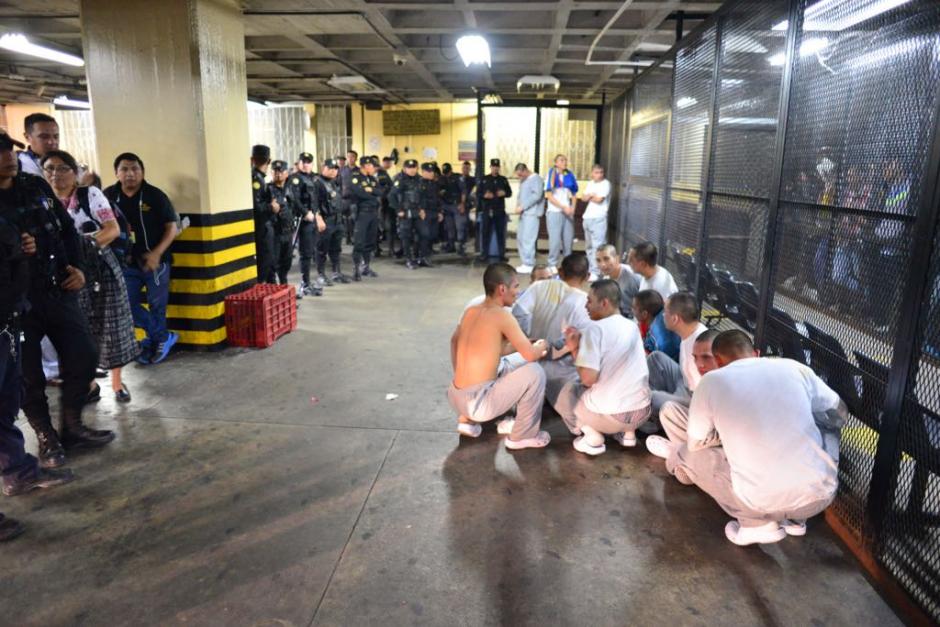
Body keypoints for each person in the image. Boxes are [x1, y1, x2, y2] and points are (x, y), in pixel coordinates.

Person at [648, 330, 845, 546]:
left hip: (759, 503)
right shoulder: (794, 367)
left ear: (719, 361)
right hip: (819, 498)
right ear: (757, 353)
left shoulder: (713, 380)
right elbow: (838, 412)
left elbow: (695, 442)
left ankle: (757, 526)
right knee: (829, 426)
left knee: (689, 453)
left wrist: (723, 435)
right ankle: (796, 519)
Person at [4, 134, 115, 469]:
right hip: (13, 304)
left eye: (8, 150)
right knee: (28, 376)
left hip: (57, 289)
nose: (7, 157)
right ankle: (46, 437)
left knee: (84, 355)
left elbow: (66, 230)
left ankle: (72, 426)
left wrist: (78, 268)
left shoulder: (34, 186)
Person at [0, 131, 75, 537]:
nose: (8, 157)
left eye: (9, 150)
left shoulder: (28, 189)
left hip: (10, 315)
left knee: (5, 402)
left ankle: (18, 473)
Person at [42, 150, 139, 403]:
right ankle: (89, 384)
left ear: (75, 173)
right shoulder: (42, 202)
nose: (56, 174)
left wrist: (80, 250)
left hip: (99, 270)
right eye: (49, 169)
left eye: (63, 168)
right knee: (77, 330)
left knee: (111, 327)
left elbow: (112, 230)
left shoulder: (90, 195)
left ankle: (117, 383)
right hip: (65, 273)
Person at [449, 262, 551, 449]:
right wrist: (541, 345)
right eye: (516, 286)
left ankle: (467, 421)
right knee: (535, 372)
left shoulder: (472, 311)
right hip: (478, 404)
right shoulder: (503, 316)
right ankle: (523, 436)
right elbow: (530, 356)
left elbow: (455, 342)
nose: (518, 292)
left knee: (505, 364)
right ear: (502, 289)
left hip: (455, 396)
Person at [551, 280, 651, 455]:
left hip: (611, 417)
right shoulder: (632, 326)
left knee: (565, 390)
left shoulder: (594, 329)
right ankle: (628, 434)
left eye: (589, 301)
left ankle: (591, 436)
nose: (586, 306)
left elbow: (588, 379)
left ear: (604, 303)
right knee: (624, 380)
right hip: (642, 412)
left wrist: (574, 347)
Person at [103, 153, 179, 365]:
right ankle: (162, 336)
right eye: (124, 169)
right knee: (126, 305)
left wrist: (156, 253)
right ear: (116, 173)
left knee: (157, 305)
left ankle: (154, 340)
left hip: (156, 262)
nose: (130, 174)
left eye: (135, 169)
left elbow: (172, 227)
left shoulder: (155, 196)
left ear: (142, 172)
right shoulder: (108, 196)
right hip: (125, 263)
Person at [646, 328, 720, 457]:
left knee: (660, 403)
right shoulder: (689, 337)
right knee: (656, 357)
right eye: (695, 358)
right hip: (690, 393)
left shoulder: (726, 380)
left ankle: (681, 455)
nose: (699, 364)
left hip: (709, 426)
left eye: (706, 357)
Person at [646, 291, 709, 419]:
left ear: (675, 319)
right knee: (655, 357)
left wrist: (674, 399)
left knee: (650, 397)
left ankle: (658, 418)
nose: (663, 315)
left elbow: (703, 396)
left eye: (665, 312)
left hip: (695, 400)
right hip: (684, 382)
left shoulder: (700, 346)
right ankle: (654, 413)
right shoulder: (691, 330)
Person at [512, 252, 591, 348]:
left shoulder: (539, 285)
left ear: (560, 272)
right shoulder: (587, 302)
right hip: (562, 360)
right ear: (588, 276)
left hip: (531, 355)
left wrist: (530, 340)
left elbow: (518, 313)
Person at [312, 158, 349, 288]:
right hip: (326, 220)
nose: (333, 171)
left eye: (335, 169)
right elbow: (314, 203)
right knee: (322, 249)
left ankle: (336, 272)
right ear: (324, 168)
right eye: (330, 168)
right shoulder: (318, 183)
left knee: (336, 248)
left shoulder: (335, 182)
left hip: (337, 220)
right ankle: (321, 275)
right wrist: (319, 218)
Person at [267, 160, 304, 289]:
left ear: (286, 173)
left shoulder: (290, 189)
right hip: (275, 233)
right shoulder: (268, 190)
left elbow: (296, 205)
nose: (278, 174)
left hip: (288, 232)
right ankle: (274, 291)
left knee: (286, 263)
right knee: (273, 264)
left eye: (281, 171)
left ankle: (284, 289)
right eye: (275, 171)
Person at [290, 153, 323, 296]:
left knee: (310, 252)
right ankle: (304, 284)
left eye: (308, 162)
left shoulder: (315, 178)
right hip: (302, 220)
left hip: (313, 218)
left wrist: (318, 215)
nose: (306, 164)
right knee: (305, 253)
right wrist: (304, 213)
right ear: (299, 163)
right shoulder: (295, 179)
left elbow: (318, 199)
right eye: (303, 162)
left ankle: (307, 282)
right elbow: (294, 199)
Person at [349, 156, 382, 281]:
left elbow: (381, 192)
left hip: (373, 214)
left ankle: (366, 267)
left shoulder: (372, 179)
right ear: (366, 166)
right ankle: (356, 269)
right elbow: (360, 193)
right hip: (361, 214)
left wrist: (371, 190)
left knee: (370, 242)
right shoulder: (355, 178)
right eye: (373, 166)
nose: (374, 169)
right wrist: (372, 194)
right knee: (359, 242)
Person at [544, 154, 578, 273]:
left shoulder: (569, 174)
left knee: (568, 239)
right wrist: (563, 207)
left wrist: (572, 208)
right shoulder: (551, 173)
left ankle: (567, 264)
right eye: (561, 160)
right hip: (555, 211)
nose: (564, 162)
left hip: (568, 211)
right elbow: (549, 195)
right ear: (556, 162)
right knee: (555, 240)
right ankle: (552, 264)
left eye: (565, 160)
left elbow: (574, 194)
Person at [389, 159, 423, 270]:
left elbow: (422, 196)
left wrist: (422, 209)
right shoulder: (400, 179)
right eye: (410, 168)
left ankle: (418, 256)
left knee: (419, 235)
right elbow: (391, 196)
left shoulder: (419, 179)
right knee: (406, 236)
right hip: (405, 212)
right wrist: (398, 210)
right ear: (404, 168)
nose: (412, 170)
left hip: (417, 211)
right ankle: (408, 259)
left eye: (414, 167)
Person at [476, 159, 512, 262]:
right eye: (493, 166)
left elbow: (510, 193)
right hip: (487, 210)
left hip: (499, 211)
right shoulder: (484, 179)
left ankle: (501, 255)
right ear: (490, 167)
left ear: (499, 167)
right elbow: (478, 193)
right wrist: (484, 195)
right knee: (485, 233)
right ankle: (484, 254)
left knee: (500, 234)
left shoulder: (503, 180)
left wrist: (504, 193)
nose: (495, 168)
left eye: (497, 166)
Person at [513, 163, 545, 274]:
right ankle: (525, 262)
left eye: (521, 175)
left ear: (526, 170)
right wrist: (518, 206)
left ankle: (529, 263)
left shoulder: (536, 179)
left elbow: (536, 195)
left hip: (532, 213)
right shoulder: (524, 180)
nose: (520, 177)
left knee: (528, 239)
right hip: (524, 213)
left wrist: (523, 206)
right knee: (520, 238)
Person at [249, 144, 275, 283]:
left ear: (252, 159)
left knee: (270, 264)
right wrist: (272, 207)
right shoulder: (256, 179)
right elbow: (257, 207)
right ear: (269, 161)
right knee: (264, 264)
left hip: (263, 228)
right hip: (261, 228)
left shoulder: (259, 178)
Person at [581, 165, 611, 279]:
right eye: (597, 172)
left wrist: (590, 196)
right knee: (589, 246)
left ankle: (597, 272)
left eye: (601, 172)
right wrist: (591, 195)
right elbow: (583, 198)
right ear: (592, 173)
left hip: (598, 218)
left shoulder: (606, 184)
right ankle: (592, 269)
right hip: (587, 218)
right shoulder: (590, 183)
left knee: (598, 247)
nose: (599, 174)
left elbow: (599, 200)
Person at [632, 290, 679, 361]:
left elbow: (658, 364)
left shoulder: (658, 337)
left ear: (644, 314)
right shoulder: (659, 315)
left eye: (634, 308)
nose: (632, 310)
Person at [596, 244, 639, 318]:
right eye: (598, 260)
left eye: (606, 259)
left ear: (617, 258)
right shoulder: (604, 276)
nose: (602, 264)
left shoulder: (632, 277)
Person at [416, 162, 443, 267]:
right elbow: (416, 199)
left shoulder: (435, 184)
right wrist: (419, 209)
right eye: (428, 171)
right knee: (424, 235)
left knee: (432, 235)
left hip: (434, 212)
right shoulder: (419, 183)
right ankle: (421, 257)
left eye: (432, 171)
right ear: (423, 172)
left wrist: (440, 212)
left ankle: (426, 256)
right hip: (424, 212)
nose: (431, 173)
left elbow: (438, 199)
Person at [440, 163, 465, 254]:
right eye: (445, 172)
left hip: (456, 205)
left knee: (460, 226)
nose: (446, 174)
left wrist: (462, 204)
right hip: (446, 205)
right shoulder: (442, 178)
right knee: (449, 227)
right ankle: (451, 246)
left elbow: (463, 191)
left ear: (451, 170)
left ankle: (460, 246)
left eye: (447, 172)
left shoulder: (458, 177)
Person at [375, 156, 394, 257]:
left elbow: (390, 187)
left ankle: (390, 250)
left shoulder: (384, 173)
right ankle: (376, 249)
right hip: (376, 205)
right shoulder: (378, 174)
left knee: (389, 227)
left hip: (386, 204)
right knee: (376, 228)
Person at [341, 150, 360, 245]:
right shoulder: (342, 170)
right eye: (348, 156)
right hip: (343, 199)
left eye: (352, 156)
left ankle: (353, 237)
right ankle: (347, 237)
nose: (350, 158)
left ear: (356, 158)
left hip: (355, 200)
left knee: (354, 219)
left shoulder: (360, 170)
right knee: (344, 219)